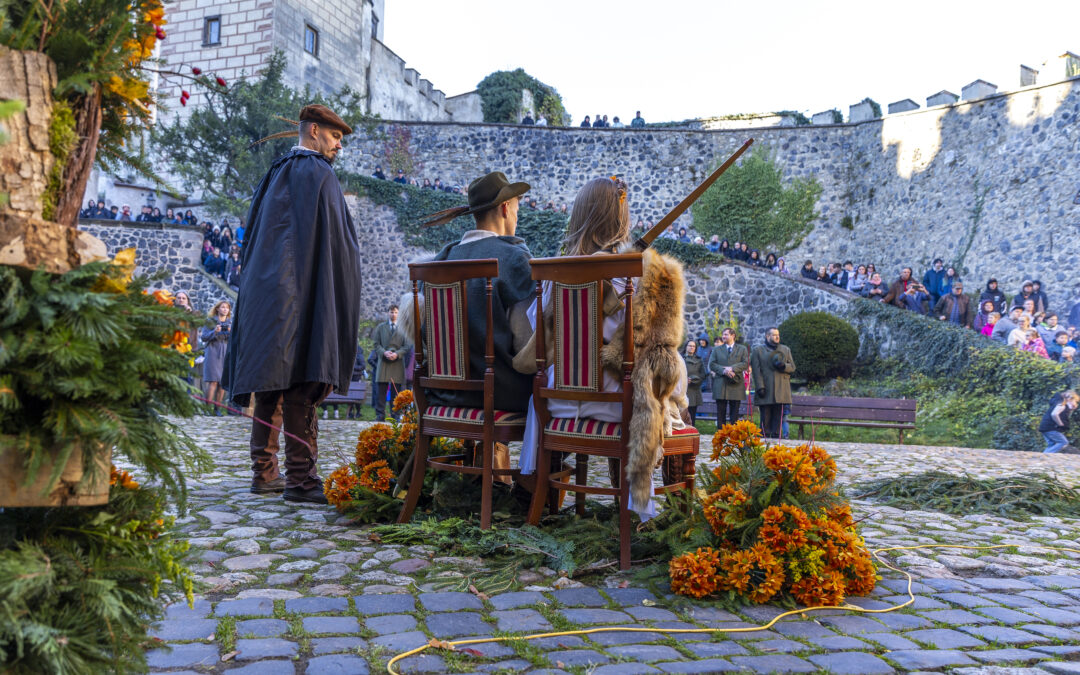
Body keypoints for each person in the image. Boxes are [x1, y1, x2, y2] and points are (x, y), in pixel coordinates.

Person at [513, 175, 688, 518]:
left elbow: (540, 333)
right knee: (674, 387)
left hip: (557, 403)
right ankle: (672, 514)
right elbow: (656, 355)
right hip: (614, 406)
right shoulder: (637, 275)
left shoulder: (552, 275)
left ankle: (532, 499)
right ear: (622, 220)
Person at [222, 103, 361, 504]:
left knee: (270, 384)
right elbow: (339, 248)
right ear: (314, 131)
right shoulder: (319, 174)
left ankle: (264, 474)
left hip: (266, 297)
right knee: (302, 381)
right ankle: (301, 480)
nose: (339, 145)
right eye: (335, 136)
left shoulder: (274, 174)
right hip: (301, 295)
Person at [751, 327, 795, 439]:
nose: (777, 337)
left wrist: (784, 366)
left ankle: (776, 437)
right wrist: (760, 387)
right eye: (774, 335)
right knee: (765, 416)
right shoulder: (758, 351)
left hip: (781, 388)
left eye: (778, 335)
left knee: (777, 415)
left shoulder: (785, 349)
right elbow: (756, 371)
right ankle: (764, 438)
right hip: (766, 387)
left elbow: (792, 367)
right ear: (767, 336)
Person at [371, 306, 406, 421]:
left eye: (396, 312)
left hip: (397, 363)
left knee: (396, 391)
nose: (393, 314)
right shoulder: (381, 327)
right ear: (388, 313)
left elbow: (407, 346)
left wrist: (397, 354)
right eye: (391, 312)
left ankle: (396, 414)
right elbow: (376, 344)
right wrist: (384, 352)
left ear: (399, 314)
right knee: (381, 391)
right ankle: (380, 414)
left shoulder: (403, 329)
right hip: (384, 362)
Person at [709, 328, 749, 427]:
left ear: (733, 336)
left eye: (726, 334)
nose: (723, 336)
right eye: (723, 334)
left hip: (736, 384)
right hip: (721, 384)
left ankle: (734, 435)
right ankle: (720, 435)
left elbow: (745, 363)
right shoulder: (716, 350)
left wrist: (732, 368)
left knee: (734, 413)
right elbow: (712, 364)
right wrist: (724, 371)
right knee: (720, 412)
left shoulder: (742, 349)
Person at [200, 300, 232, 415]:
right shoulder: (210, 321)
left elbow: (235, 340)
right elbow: (203, 337)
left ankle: (217, 409)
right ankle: (207, 409)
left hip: (225, 354)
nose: (225, 309)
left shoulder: (230, 323)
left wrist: (231, 332)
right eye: (222, 307)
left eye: (227, 308)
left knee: (222, 383)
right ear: (217, 309)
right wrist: (215, 331)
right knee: (213, 381)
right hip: (213, 352)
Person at [683, 339, 704, 424]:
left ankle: (691, 432)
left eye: (693, 346)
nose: (692, 348)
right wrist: (684, 379)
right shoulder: (680, 358)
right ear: (686, 347)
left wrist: (693, 379)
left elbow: (703, 375)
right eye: (690, 346)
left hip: (693, 389)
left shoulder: (699, 360)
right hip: (681, 390)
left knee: (691, 414)